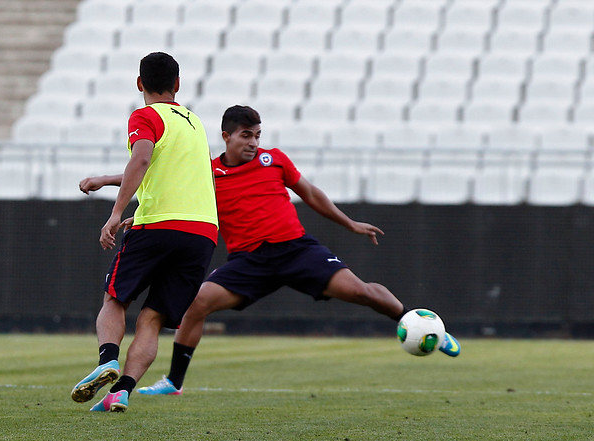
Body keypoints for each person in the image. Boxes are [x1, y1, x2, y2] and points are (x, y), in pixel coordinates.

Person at [81, 105, 461, 399]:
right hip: (249, 263)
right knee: (195, 303)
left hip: (296, 250)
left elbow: (310, 193)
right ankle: (174, 382)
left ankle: (426, 326)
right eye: (246, 135)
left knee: (360, 291)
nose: (253, 142)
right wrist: (110, 184)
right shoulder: (208, 171)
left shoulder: (274, 160)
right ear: (226, 137)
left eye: (258, 135)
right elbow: (160, 180)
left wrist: (350, 224)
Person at [70, 52, 218, 413]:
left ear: (140, 84)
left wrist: (117, 213)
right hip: (203, 233)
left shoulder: (145, 116)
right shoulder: (194, 123)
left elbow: (142, 159)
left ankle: (108, 359)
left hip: (160, 225)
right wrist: (107, 179)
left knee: (115, 298)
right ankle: (121, 392)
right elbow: (170, 173)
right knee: (152, 317)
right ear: (178, 85)